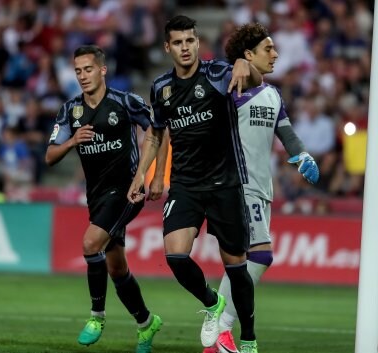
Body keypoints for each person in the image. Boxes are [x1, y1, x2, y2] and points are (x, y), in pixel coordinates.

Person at [127, 15, 262, 353]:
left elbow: (253, 76)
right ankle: (212, 302)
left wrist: (246, 63)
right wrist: (144, 174)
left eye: (190, 41)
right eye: (178, 42)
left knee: (236, 267)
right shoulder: (161, 87)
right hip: (186, 184)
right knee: (175, 255)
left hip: (225, 184)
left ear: (197, 43)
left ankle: (248, 336)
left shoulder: (216, 73)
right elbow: (157, 132)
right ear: (167, 47)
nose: (185, 48)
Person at [203, 23, 320, 353]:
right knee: (261, 254)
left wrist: (302, 155)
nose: (276, 54)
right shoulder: (229, 90)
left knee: (241, 261)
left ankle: (218, 332)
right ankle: (223, 325)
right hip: (236, 185)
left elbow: (287, 135)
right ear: (248, 55)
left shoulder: (273, 95)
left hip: (261, 187)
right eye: (268, 48)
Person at [45, 44, 167, 353]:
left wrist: (152, 176)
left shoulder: (126, 102)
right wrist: (72, 140)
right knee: (116, 268)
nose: (83, 76)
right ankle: (146, 322)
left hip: (128, 190)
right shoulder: (69, 110)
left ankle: (96, 316)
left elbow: (158, 131)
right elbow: (49, 156)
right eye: (78, 71)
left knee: (89, 244)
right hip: (97, 196)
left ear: (102, 70)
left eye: (88, 69)